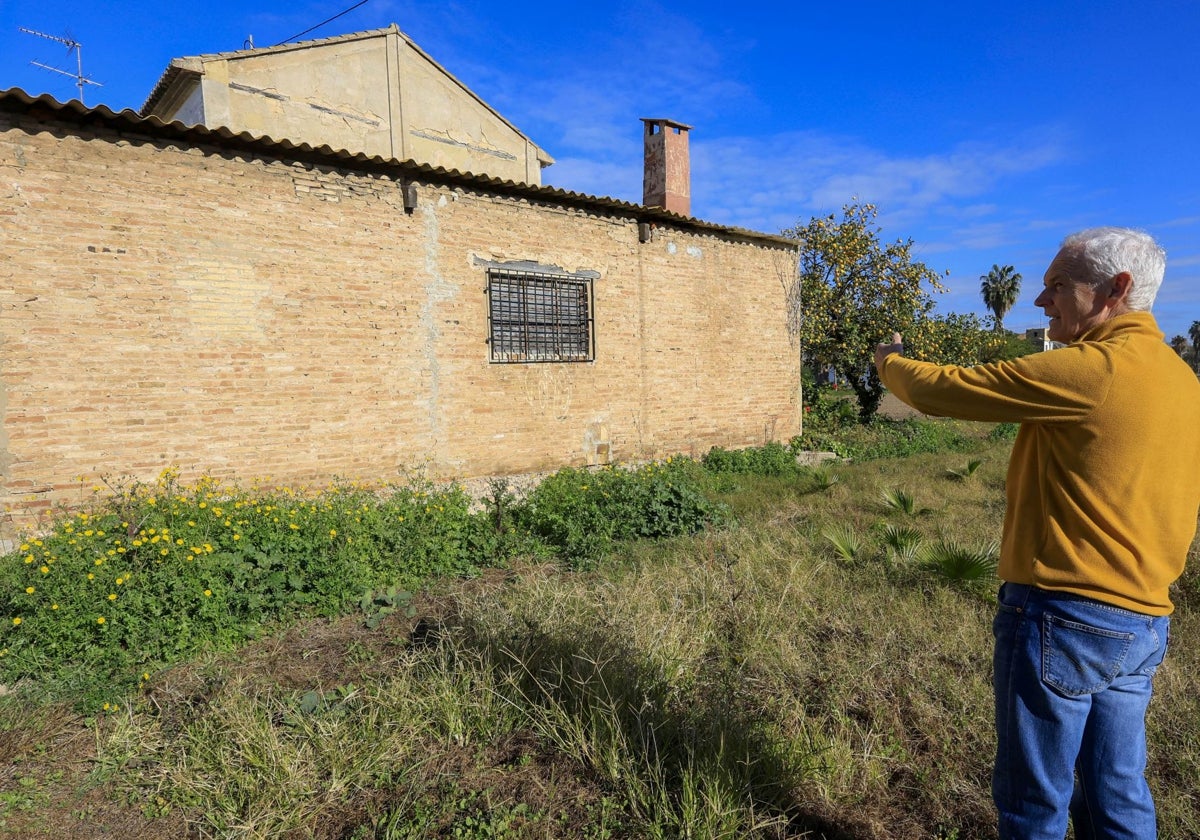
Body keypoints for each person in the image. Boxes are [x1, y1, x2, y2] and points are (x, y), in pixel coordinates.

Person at [873, 227, 1200, 840]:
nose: (1041, 301)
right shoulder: (1184, 382)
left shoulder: (1092, 370)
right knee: (1118, 796)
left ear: (1115, 291)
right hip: (1143, 622)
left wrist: (890, 359)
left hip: (1065, 615)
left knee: (1033, 805)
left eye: (1057, 286)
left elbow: (942, 391)